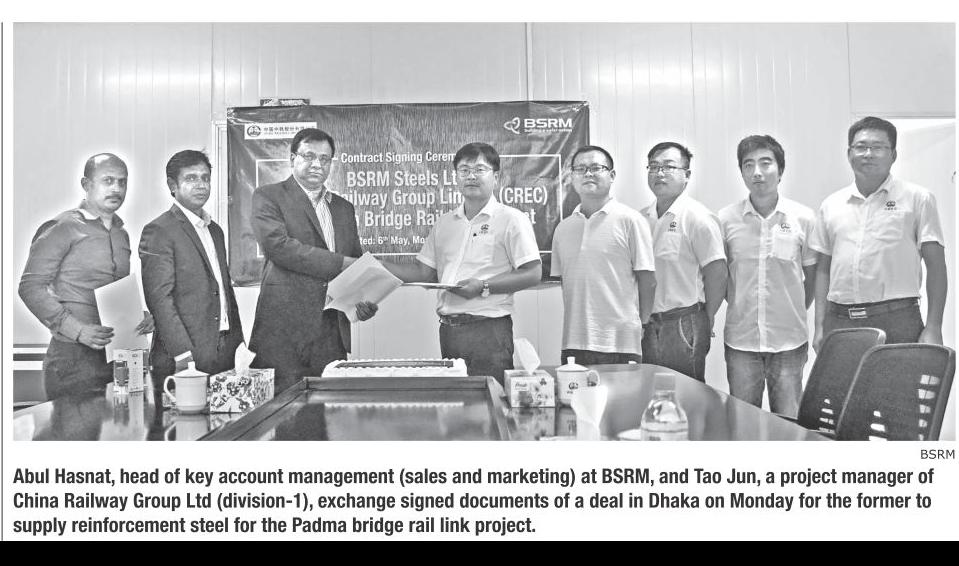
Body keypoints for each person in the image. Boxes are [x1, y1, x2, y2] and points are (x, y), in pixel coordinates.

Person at [384, 142, 541, 383]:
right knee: (457, 402)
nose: (471, 176)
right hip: (449, 331)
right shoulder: (445, 223)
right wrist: (378, 266)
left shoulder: (511, 219)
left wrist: (483, 286)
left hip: (488, 331)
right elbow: (424, 273)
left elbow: (532, 273)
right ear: (455, 177)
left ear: (496, 176)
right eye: (464, 170)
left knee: (488, 403)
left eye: (479, 169)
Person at [248, 128, 377, 393]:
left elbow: (355, 263)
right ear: (292, 159)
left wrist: (361, 301)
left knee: (328, 410)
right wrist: (341, 264)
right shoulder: (269, 196)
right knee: (282, 413)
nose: (317, 164)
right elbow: (279, 248)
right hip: (284, 334)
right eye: (308, 156)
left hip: (331, 334)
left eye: (325, 158)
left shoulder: (344, 208)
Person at [19, 153, 152, 400]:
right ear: (86, 184)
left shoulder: (121, 234)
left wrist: (139, 316)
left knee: (123, 423)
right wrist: (77, 330)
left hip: (117, 358)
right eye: (108, 180)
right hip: (72, 360)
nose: (116, 188)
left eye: (122, 182)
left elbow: (113, 294)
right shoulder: (62, 227)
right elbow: (30, 287)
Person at [810, 116, 946, 350]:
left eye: (878, 147)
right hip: (839, 320)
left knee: (898, 377)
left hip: (897, 319)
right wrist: (819, 325)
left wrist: (934, 326)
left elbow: (936, 266)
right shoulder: (831, 205)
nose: (868, 154)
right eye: (861, 147)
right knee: (841, 377)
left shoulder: (917, 199)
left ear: (893, 155)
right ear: (849, 153)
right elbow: (823, 268)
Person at [719, 135, 817, 416]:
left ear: (780, 170)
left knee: (788, 422)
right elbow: (722, 277)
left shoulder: (803, 218)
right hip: (741, 340)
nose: (757, 172)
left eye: (765, 163)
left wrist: (792, 308)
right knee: (742, 422)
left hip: (788, 340)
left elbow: (811, 277)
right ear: (741, 172)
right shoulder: (726, 219)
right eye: (748, 165)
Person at [139, 150, 244, 389]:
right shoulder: (159, 230)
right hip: (184, 357)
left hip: (224, 351)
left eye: (205, 178)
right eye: (191, 178)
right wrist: (182, 354)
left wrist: (239, 346)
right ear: (172, 185)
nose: (201, 185)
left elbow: (224, 291)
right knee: (183, 415)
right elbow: (160, 300)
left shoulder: (215, 231)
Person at [550, 145, 656, 365]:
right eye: (580, 169)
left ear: (612, 175)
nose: (588, 173)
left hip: (621, 343)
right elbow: (565, 282)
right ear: (572, 177)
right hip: (574, 342)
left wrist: (643, 324)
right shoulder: (563, 228)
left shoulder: (631, 220)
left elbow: (648, 279)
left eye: (596, 168)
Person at [640, 142, 726, 382]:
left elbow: (718, 273)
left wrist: (706, 317)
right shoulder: (640, 218)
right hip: (648, 325)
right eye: (653, 166)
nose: (659, 173)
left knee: (687, 396)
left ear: (686, 175)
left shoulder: (698, 218)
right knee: (650, 393)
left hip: (683, 322)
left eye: (668, 167)